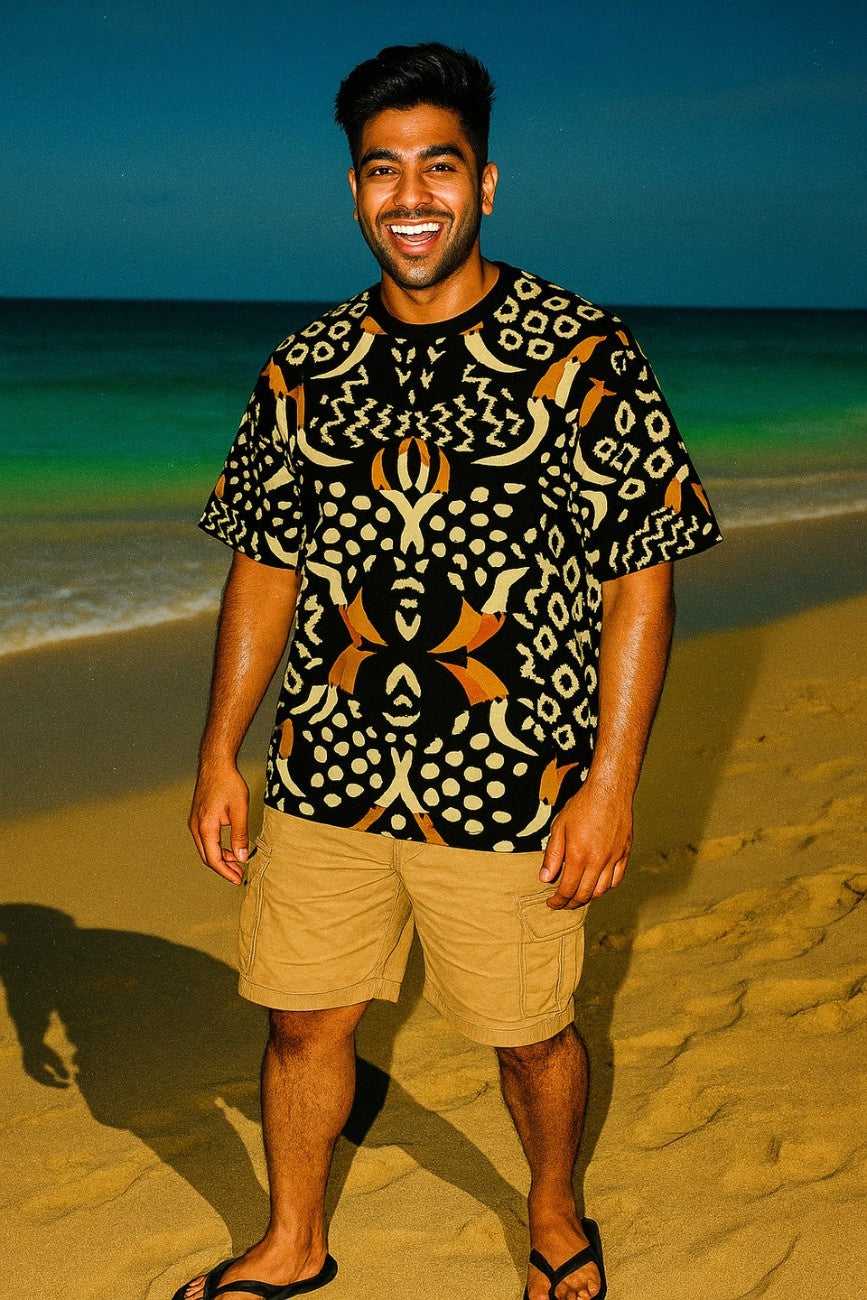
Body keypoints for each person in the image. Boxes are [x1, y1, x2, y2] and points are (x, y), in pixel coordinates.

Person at [182, 41, 721, 1300]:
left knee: (529, 1034)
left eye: (440, 166)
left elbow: (639, 570)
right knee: (304, 1018)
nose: (409, 195)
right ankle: (295, 1237)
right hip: (327, 765)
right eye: (382, 169)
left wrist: (610, 784)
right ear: (354, 189)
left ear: (486, 184)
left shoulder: (581, 351)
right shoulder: (303, 366)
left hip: (517, 774)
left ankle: (551, 1213)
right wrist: (221, 747)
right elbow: (265, 560)